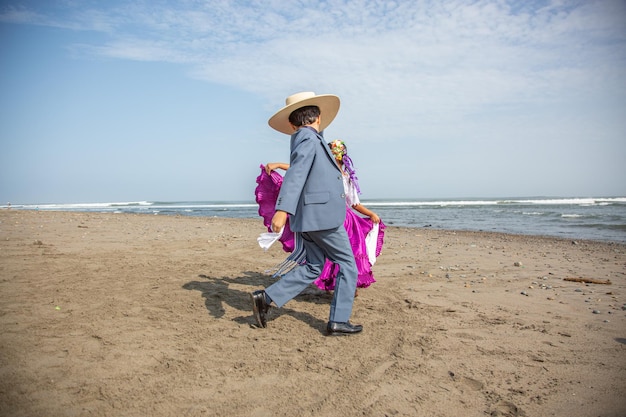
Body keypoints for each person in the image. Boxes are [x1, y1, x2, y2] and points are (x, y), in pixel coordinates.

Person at [250, 91, 362, 336]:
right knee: (347, 264)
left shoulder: (308, 138)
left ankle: (266, 297)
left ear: (291, 124)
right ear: (319, 118)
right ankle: (338, 321)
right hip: (321, 217)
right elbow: (297, 173)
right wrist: (282, 210)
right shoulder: (308, 139)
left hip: (312, 216)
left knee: (313, 265)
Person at [260, 139, 385, 294]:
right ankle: (332, 284)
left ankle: (348, 286)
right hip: (326, 215)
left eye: (333, 152)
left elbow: (354, 203)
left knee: (348, 254)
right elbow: (300, 170)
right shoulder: (321, 171)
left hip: (347, 220)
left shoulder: (346, 177)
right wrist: (279, 165)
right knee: (328, 253)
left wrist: (371, 214)